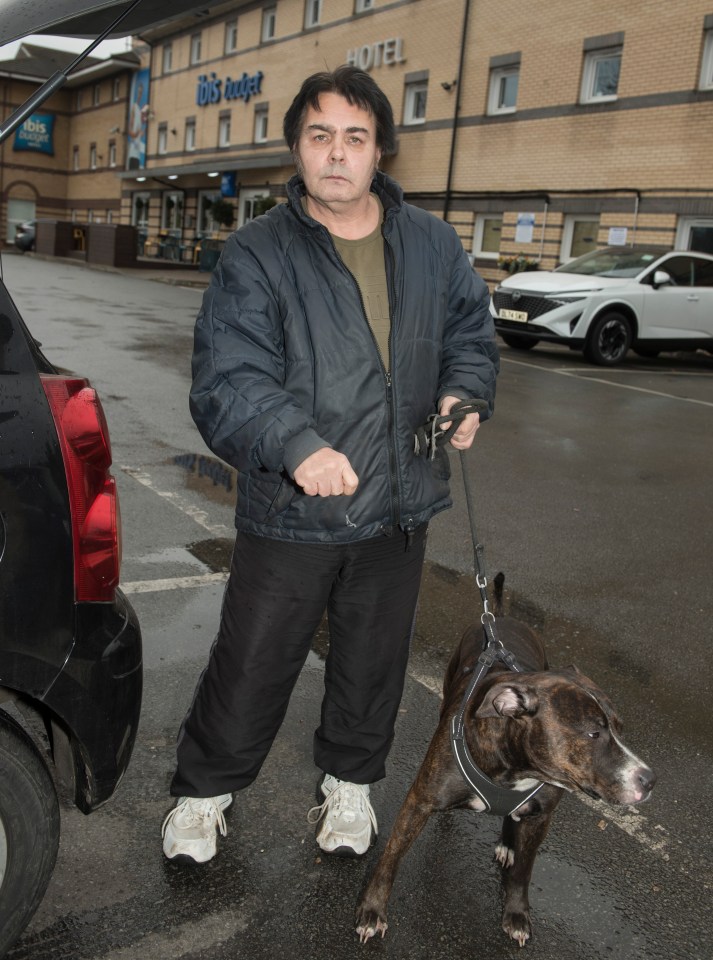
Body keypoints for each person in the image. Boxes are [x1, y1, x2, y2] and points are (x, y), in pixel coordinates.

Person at [162, 66, 499, 864]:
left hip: (398, 505)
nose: (336, 154)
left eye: (354, 137)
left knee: (371, 667)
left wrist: (464, 391)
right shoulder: (257, 253)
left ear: (379, 150)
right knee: (251, 663)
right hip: (293, 509)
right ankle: (204, 792)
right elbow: (227, 377)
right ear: (296, 149)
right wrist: (295, 445)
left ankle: (349, 786)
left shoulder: (432, 243)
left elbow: (468, 335)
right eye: (319, 137)